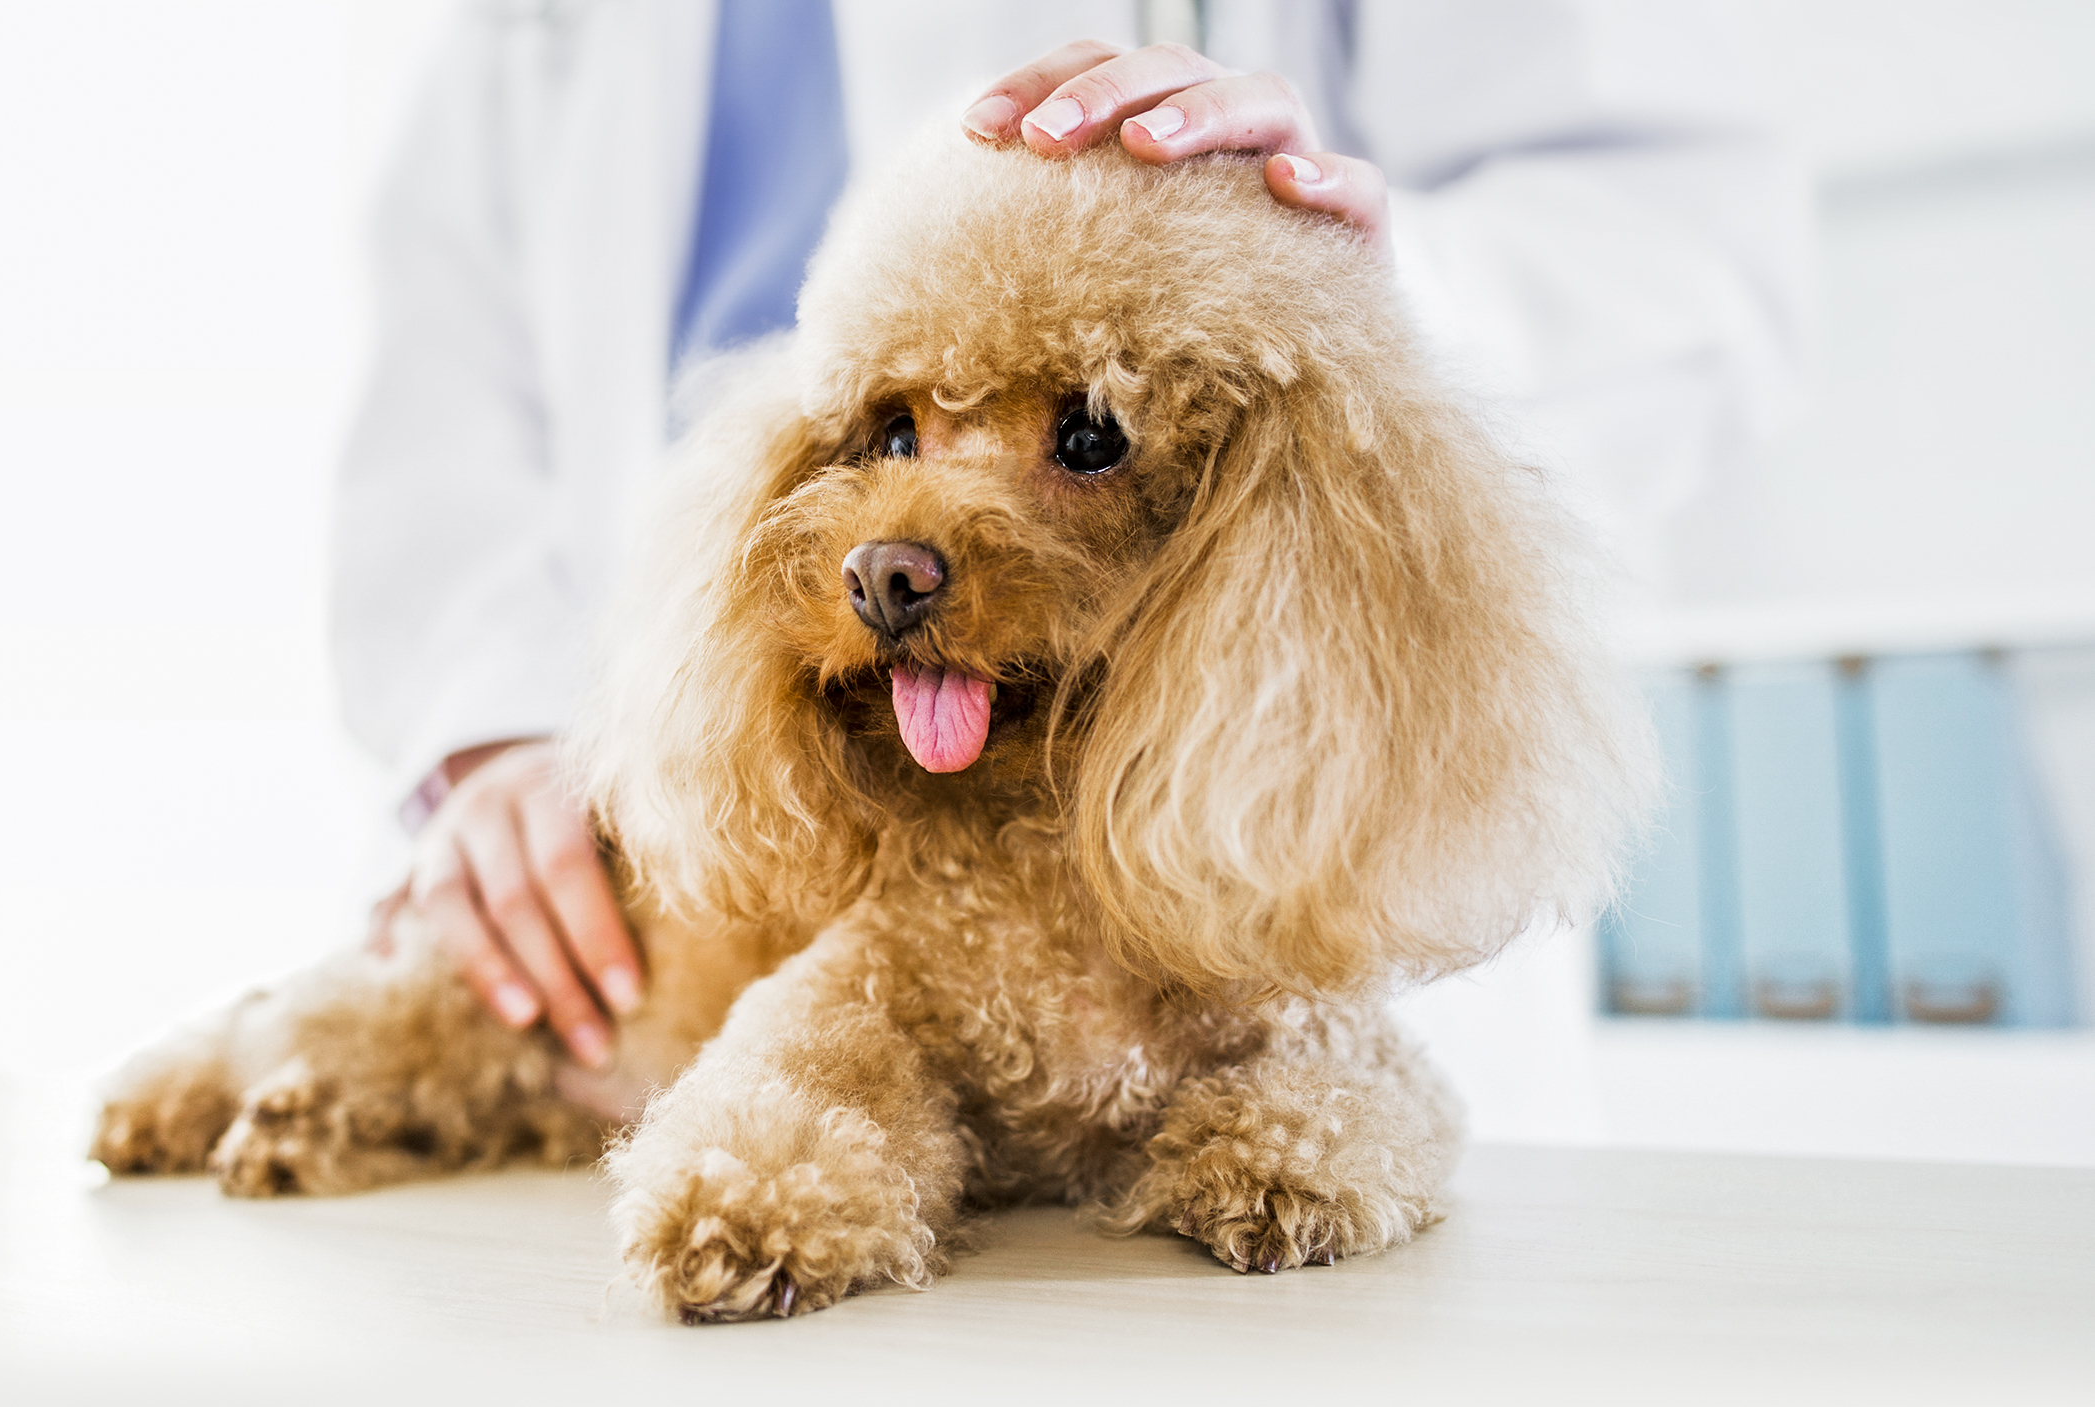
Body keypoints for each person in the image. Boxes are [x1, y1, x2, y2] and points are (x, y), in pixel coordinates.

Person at [330, 0, 1804, 1081]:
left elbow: (1692, 253)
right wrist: (504, 732)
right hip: (694, 891)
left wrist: (1341, 297)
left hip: (1236, 911)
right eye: (894, 434)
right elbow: (441, 414)